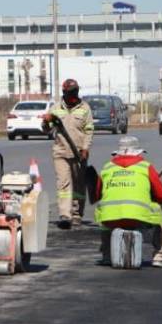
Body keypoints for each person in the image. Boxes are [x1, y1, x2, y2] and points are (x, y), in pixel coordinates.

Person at [94, 135, 162, 268]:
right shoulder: (145, 167)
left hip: (110, 219)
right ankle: (161, 255)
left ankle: (107, 255)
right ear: (138, 152)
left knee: (104, 213)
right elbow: (161, 195)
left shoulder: (107, 168)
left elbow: (98, 193)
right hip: (138, 217)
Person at [43, 78, 94, 229]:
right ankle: (65, 214)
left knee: (78, 185)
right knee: (63, 183)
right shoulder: (56, 108)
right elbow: (47, 129)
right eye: (70, 92)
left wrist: (85, 148)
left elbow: (89, 130)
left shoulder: (85, 108)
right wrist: (46, 122)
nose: (73, 95)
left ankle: (77, 213)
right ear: (64, 93)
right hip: (61, 151)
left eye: (75, 91)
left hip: (79, 152)